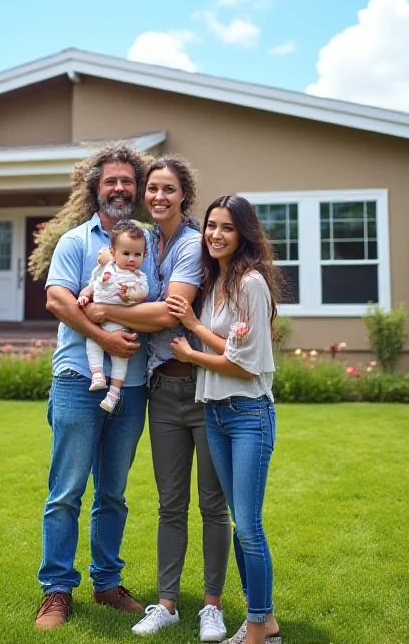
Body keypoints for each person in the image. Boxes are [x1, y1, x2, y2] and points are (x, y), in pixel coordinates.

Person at [84, 156, 231, 642]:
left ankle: (212, 605)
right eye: (152, 189)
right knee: (171, 505)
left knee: (212, 504)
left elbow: (168, 315)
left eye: (168, 189)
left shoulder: (191, 244)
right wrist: (117, 304)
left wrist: (103, 307)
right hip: (161, 390)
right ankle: (167, 602)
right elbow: (136, 301)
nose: (158, 197)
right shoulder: (143, 243)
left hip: (203, 390)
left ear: (183, 194)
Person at [35, 144, 154, 630]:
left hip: (132, 384)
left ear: (137, 188)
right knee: (66, 492)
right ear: (96, 187)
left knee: (114, 492)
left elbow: (161, 305)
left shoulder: (148, 244)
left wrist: (113, 315)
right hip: (77, 379)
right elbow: (60, 300)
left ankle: (106, 583)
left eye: (128, 181)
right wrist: (104, 334)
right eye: (111, 181)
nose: (120, 188)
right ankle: (57, 590)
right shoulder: (74, 242)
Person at [167, 195, 282, 644]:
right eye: (211, 226)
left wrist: (193, 351)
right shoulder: (217, 282)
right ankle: (265, 619)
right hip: (214, 412)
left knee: (249, 527)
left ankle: (257, 629)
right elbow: (226, 344)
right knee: (240, 524)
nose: (215, 234)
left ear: (244, 234)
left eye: (227, 228)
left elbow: (246, 365)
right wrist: (196, 325)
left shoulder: (251, 282)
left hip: (248, 414)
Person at [77, 222, 150, 411]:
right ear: (114, 252)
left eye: (137, 254)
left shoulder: (138, 277)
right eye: (126, 253)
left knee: (121, 359)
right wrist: (84, 296)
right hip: (100, 326)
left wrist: (130, 295)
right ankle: (97, 374)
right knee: (92, 342)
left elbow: (142, 294)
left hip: (121, 328)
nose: (132, 259)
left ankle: (113, 394)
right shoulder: (104, 271)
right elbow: (93, 286)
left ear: (144, 255)